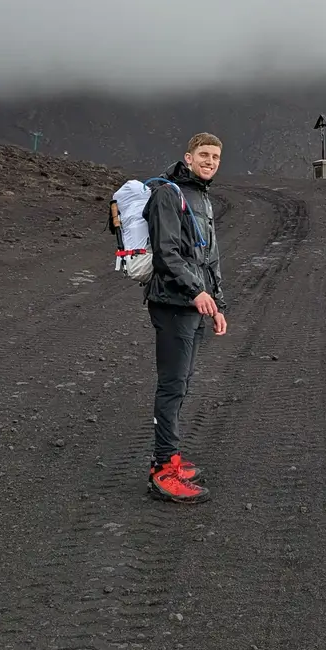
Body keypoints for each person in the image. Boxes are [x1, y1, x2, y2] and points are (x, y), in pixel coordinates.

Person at [143, 133, 227, 503]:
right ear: (188, 157)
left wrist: (216, 303)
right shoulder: (169, 193)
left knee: (182, 384)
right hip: (172, 303)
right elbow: (166, 253)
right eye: (203, 155)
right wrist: (196, 292)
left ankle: (171, 458)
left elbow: (209, 257)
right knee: (172, 386)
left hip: (193, 305)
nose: (210, 161)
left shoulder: (201, 196)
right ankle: (163, 471)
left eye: (216, 157)